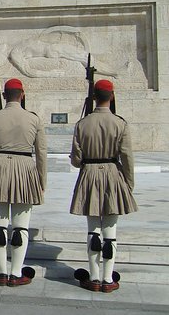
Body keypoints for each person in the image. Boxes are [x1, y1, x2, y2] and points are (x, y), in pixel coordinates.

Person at [70, 79, 137, 293]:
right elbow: (127, 157)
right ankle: (108, 278)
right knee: (110, 231)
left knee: (93, 231)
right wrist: (129, 183)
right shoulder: (120, 124)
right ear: (112, 97)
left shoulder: (82, 124)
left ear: (93, 98)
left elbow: (76, 159)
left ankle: (94, 276)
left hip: (89, 174)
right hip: (112, 175)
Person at [0, 78, 47, 287]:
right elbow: (41, 153)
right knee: (21, 228)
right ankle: (16, 273)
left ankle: (0, 272)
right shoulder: (34, 119)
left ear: (4, 96)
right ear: (22, 94)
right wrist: (41, 181)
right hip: (25, 169)